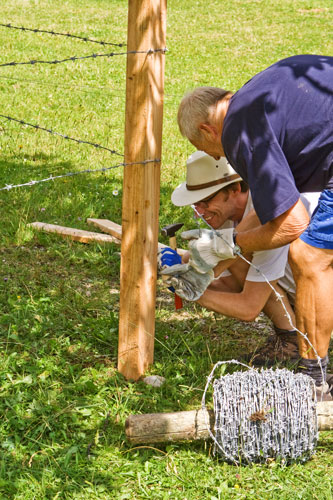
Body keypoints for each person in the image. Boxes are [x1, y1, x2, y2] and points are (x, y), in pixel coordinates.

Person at [175, 55, 333, 398]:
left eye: (203, 148)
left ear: (206, 129)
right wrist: (217, 248)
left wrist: (229, 244)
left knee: (309, 256)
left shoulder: (239, 130)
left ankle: (315, 382)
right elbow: (266, 215)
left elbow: (292, 223)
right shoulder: (253, 98)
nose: (217, 157)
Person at [161, 150, 320, 366]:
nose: (200, 212)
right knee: (237, 261)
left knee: (243, 260)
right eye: (195, 204)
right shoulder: (227, 216)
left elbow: (248, 307)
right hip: (302, 285)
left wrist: (191, 292)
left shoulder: (269, 218)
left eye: (205, 202)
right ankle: (290, 335)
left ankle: (291, 343)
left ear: (235, 189)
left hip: (322, 294)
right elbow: (233, 282)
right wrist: (187, 273)